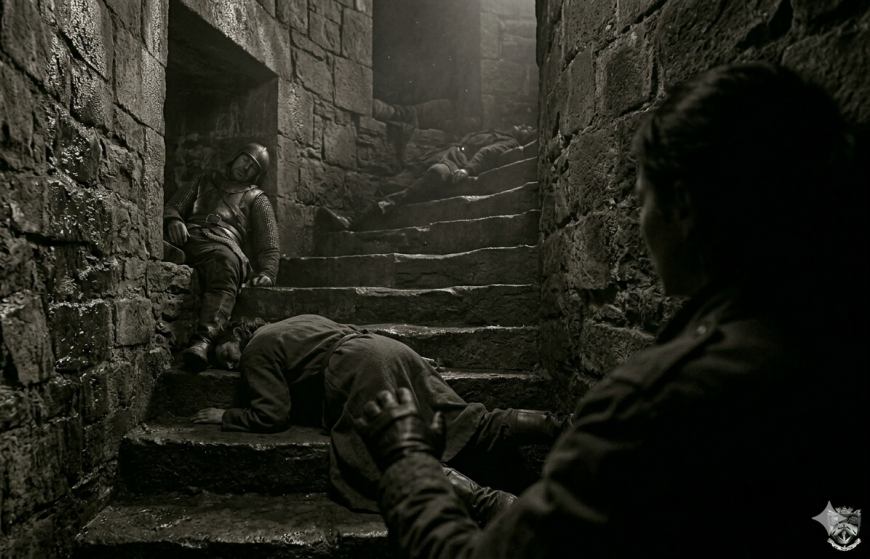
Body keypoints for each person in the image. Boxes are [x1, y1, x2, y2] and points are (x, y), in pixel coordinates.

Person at [354, 62, 868, 557]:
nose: (641, 223)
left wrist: (407, 463)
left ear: (682, 207)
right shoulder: (835, 351)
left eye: (643, 200)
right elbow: (840, 529)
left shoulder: (654, 406)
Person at [189, 314, 572, 518]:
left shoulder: (256, 347)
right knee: (467, 422)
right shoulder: (297, 323)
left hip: (356, 366)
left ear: (237, 336)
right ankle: (567, 425)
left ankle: (497, 507)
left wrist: (228, 415)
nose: (231, 367)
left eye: (226, 356)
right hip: (389, 351)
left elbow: (272, 414)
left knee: (381, 458)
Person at [164, 143, 280, 371]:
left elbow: (269, 244)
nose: (245, 168)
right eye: (245, 160)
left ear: (257, 175)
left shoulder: (256, 198)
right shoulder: (204, 181)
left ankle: (204, 342)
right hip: (189, 236)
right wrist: (173, 220)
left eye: (253, 167)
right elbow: (173, 206)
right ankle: (172, 251)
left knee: (226, 262)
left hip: (222, 245)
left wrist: (268, 272)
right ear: (235, 157)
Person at [316, 125, 536, 232]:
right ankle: (352, 218)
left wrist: (468, 170)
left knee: (436, 174)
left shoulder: (510, 142)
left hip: (455, 162)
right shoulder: (494, 130)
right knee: (391, 183)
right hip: (441, 153)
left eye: (526, 129)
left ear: (523, 137)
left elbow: (487, 153)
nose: (522, 126)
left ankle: (367, 215)